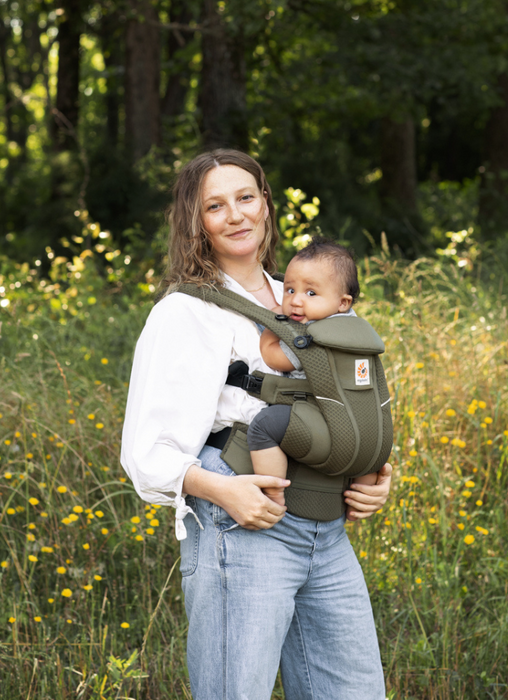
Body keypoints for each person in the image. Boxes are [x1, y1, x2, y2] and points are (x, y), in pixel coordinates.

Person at [120, 149, 393, 700]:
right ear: (196, 222)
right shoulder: (186, 312)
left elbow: (349, 398)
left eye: (245, 197)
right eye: (215, 206)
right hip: (245, 525)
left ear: (265, 203)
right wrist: (223, 492)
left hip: (326, 525)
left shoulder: (305, 294)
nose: (235, 214)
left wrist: (371, 473)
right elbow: (147, 450)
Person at [246, 239, 381, 507]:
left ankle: (273, 492)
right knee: (371, 447)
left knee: (263, 426)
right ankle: (359, 498)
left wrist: (273, 328)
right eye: (290, 290)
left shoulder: (311, 335)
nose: (295, 301)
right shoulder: (355, 327)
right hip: (363, 423)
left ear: (343, 302)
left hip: (322, 416)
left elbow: (274, 358)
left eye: (310, 294)